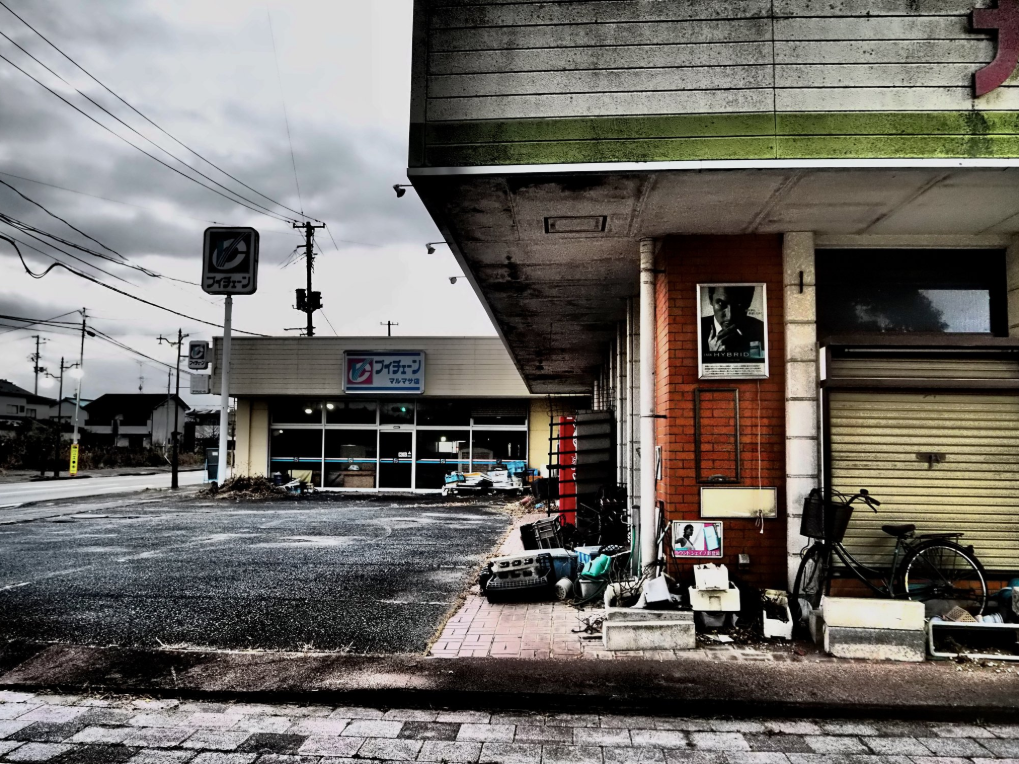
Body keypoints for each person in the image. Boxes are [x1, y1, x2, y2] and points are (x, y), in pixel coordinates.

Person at [701, 286, 765, 359]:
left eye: (738, 304)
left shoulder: (762, 330)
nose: (729, 316)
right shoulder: (697, 329)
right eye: (721, 303)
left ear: (749, 302)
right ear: (710, 298)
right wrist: (712, 357)